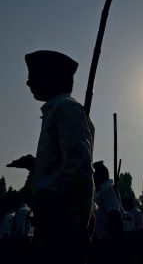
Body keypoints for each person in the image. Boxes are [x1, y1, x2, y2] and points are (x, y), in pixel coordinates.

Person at [7, 50, 95, 264]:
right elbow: (62, 167)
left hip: (61, 218)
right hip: (51, 216)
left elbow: (79, 167)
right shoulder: (56, 110)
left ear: (53, 78)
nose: (28, 82)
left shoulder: (67, 109)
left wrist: (79, 222)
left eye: (34, 75)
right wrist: (35, 166)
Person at [88, 160, 123, 264]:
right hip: (99, 242)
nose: (93, 177)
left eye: (95, 174)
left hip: (105, 243)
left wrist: (115, 244)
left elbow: (114, 215)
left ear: (100, 175)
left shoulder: (108, 190)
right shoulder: (100, 192)